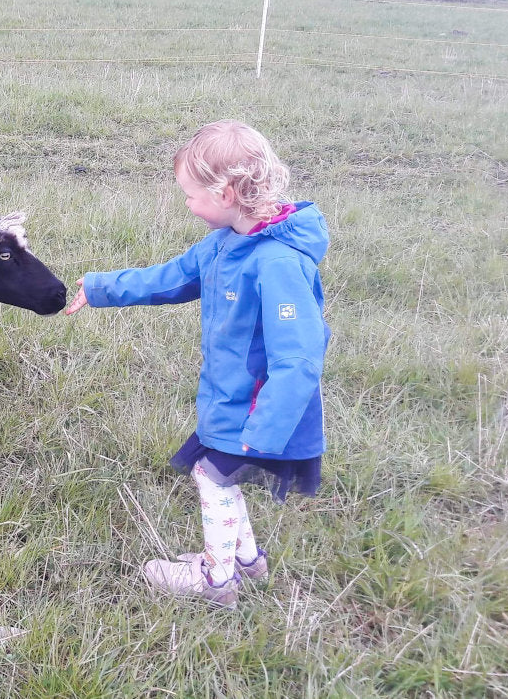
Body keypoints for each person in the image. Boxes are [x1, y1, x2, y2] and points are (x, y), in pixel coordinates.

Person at [63, 119, 330, 608]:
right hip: (229, 401)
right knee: (218, 475)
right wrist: (101, 288)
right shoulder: (226, 242)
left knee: (212, 476)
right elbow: (174, 277)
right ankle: (247, 562)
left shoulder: (278, 263)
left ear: (226, 192)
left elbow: (300, 358)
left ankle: (215, 579)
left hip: (259, 412)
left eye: (189, 194)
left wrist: (266, 430)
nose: (185, 203)